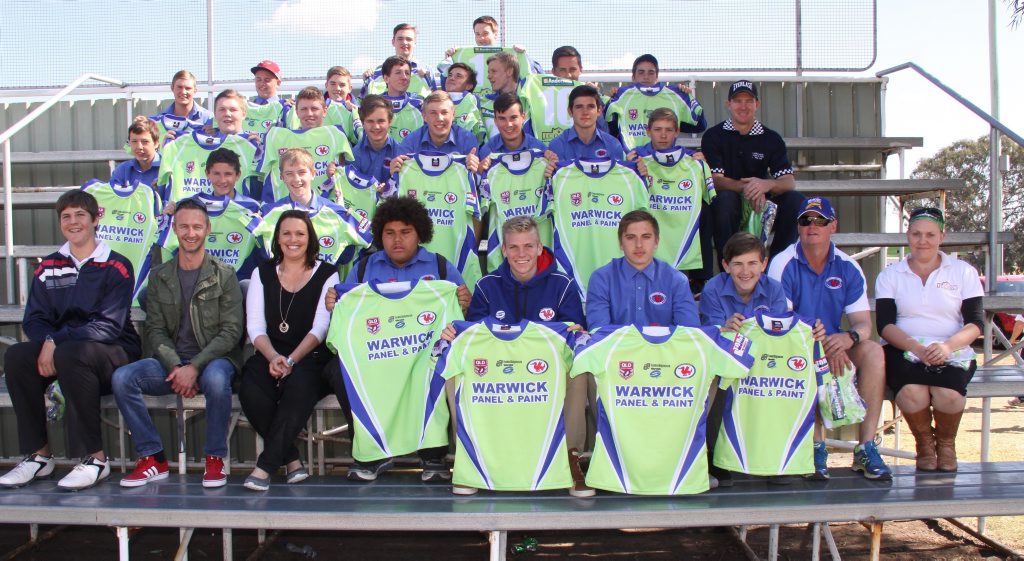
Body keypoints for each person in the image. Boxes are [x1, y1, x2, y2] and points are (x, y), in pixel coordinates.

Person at [0, 191, 140, 490]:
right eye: (66, 216)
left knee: (70, 354)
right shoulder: (49, 265)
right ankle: (39, 456)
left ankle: (95, 459)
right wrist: (49, 342)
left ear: (95, 219)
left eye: (80, 215)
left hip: (113, 353)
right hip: (67, 352)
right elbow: (34, 319)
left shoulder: (116, 265)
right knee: (17, 356)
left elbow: (108, 326)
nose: (73, 222)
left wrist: (56, 342)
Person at [323, 196, 468, 482]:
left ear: (420, 233)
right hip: (376, 356)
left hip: (420, 355)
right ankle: (369, 453)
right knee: (338, 372)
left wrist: (464, 301)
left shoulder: (439, 266)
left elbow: (459, 317)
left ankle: (433, 454)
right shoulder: (364, 268)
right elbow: (348, 319)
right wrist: (335, 303)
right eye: (389, 233)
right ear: (380, 235)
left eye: (405, 232)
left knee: (441, 366)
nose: (397, 240)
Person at [112, 200, 244, 488]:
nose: (191, 233)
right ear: (174, 229)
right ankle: (152, 457)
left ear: (207, 229)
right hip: (171, 363)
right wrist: (175, 365)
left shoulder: (225, 274)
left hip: (213, 360)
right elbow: (155, 330)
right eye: (184, 226)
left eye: (197, 226)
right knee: (123, 378)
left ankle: (215, 458)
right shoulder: (160, 276)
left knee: (218, 379)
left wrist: (194, 367)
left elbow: (231, 333)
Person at [767, 196, 892, 480]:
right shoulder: (782, 263)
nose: (813, 226)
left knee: (873, 352)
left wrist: (848, 338)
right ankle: (815, 446)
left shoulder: (848, 266)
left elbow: (863, 324)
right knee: (805, 359)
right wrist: (825, 345)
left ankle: (866, 447)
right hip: (794, 346)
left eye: (820, 221)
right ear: (798, 227)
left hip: (835, 344)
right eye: (806, 220)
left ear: (833, 225)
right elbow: (783, 324)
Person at [875, 207, 983, 472]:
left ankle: (946, 445)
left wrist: (946, 346)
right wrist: (916, 348)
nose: (923, 240)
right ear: (907, 235)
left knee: (949, 395)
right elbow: (885, 325)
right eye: (916, 234)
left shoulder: (963, 272)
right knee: (912, 392)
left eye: (930, 234)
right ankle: (924, 445)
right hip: (904, 347)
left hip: (950, 347)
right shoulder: (891, 274)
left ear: (941, 237)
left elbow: (976, 323)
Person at [239, 210, 340, 491]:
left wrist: (292, 359)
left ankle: (265, 466)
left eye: (300, 233)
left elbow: (321, 328)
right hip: (270, 353)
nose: (293, 240)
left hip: (310, 356)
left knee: (299, 388)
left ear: (310, 238)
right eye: (286, 233)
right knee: (251, 390)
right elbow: (256, 326)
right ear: (278, 238)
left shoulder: (328, 273)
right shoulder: (262, 272)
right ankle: (292, 459)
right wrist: (273, 357)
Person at [701, 80, 803, 259]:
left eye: (749, 100)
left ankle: (776, 266)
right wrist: (751, 188)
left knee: (796, 201)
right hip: (730, 202)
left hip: (761, 204)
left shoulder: (771, 138)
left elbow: (788, 182)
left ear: (757, 104)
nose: (743, 106)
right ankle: (730, 268)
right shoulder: (714, 136)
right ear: (728, 104)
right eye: (737, 100)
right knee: (724, 200)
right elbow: (715, 180)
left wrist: (765, 185)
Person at [586, 210, 699, 329]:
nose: (639, 245)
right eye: (630, 237)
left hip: (663, 347)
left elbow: (689, 332)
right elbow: (599, 332)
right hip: (618, 347)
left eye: (646, 237)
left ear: (656, 242)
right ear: (620, 243)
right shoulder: (601, 279)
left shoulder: (676, 280)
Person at [605, 54, 706, 151]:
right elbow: (608, 129)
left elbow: (700, 125)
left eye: (651, 72)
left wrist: (689, 98)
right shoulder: (621, 96)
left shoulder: (675, 95)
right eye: (641, 72)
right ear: (633, 77)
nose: (646, 77)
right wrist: (607, 99)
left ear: (657, 76)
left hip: (662, 161)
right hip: (633, 161)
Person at [393, 91, 481, 172]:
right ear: (424, 116)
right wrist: (396, 170)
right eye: (433, 113)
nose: (439, 118)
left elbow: (473, 182)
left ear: (453, 115)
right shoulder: (411, 142)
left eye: (444, 112)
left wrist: (475, 171)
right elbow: (402, 179)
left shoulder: (467, 139)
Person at [546, 85, 625, 162]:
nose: (585, 112)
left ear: (599, 111)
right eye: (579, 107)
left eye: (590, 106)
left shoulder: (613, 145)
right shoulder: (557, 145)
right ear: (570, 111)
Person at [361, 23, 437, 98]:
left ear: (415, 43)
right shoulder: (377, 73)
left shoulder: (427, 71)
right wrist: (367, 81)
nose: (404, 42)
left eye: (409, 39)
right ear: (393, 42)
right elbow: (363, 103)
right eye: (400, 39)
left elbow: (435, 99)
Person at [479, 92, 546, 162]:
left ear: (523, 118)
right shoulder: (487, 151)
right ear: (495, 121)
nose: (509, 124)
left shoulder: (539, 150)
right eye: (502, 119)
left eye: (513, 117)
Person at [350, 95, 400, 184]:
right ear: (362, 123)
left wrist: (395, 178)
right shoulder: (354, 155)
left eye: (381, 121)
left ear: (390, 121)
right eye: (370, 121)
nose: (376, 127)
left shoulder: (400, 153)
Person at [151, 70, 213, 139]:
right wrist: (162, 141)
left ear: (195, 91)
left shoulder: (209, 119)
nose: (183, 92)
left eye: (188, 88)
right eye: (179, 87)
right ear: (172, 88)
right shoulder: (158, 123)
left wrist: (213, 135)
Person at [111, 116, 160, 188]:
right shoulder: (122, 170)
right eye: (134, 141)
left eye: (145, 142)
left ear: (156, 143)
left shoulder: (167, 169)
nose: (139, 147)